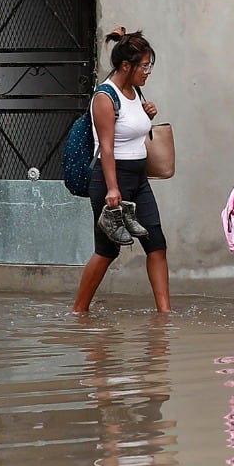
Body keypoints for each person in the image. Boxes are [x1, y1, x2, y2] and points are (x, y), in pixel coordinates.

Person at [72, 28, 172, 314]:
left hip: (139, 180)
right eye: (144, 65)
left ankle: (165, 315)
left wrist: (147, 114)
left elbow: (133, 129)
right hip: (110, 181)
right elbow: (106, 147)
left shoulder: (135, 90)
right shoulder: (105, 98)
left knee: (156, 244)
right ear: (125, 66)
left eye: (149, 65)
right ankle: (79, 312)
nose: (148, 71)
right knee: (107, 251)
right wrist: (113, 189)